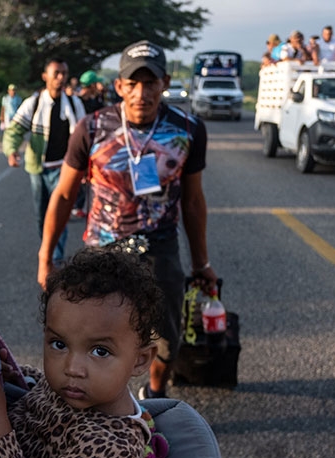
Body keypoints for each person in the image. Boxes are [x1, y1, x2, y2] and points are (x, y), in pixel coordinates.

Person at [35, 40, 217, 400]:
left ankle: (155, 394)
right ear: (119, 86)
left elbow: (194, 201)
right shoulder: (92, 127)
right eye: (133, 83)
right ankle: (96, 402)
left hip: (159, 249)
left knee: (167, 337)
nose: (141, 93)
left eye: (150, 83)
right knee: (93, 335)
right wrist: (45, 257)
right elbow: (64, 195)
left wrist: (201, 263)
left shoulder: (188, 129)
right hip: (102, 251)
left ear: (165, 83)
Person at [0, 246, 167, 458]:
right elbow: (45, 390)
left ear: (140, 360)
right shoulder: (79, 390)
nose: (72, 368)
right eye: (59, 344)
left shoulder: (112, 450)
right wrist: (19, 375)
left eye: (100, 351)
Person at [4, 58, 87, 265]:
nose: (61, 78)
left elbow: (84, 137)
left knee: (58, 213)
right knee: (42, 214)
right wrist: (11, 151)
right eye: (56, 73)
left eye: (64, 73)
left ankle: (55, 258)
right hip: (38, 169)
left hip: (64, 169)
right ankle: (47, 250)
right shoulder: (33, 104)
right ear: (45, 76)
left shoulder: (74, 104)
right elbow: (14, 131)